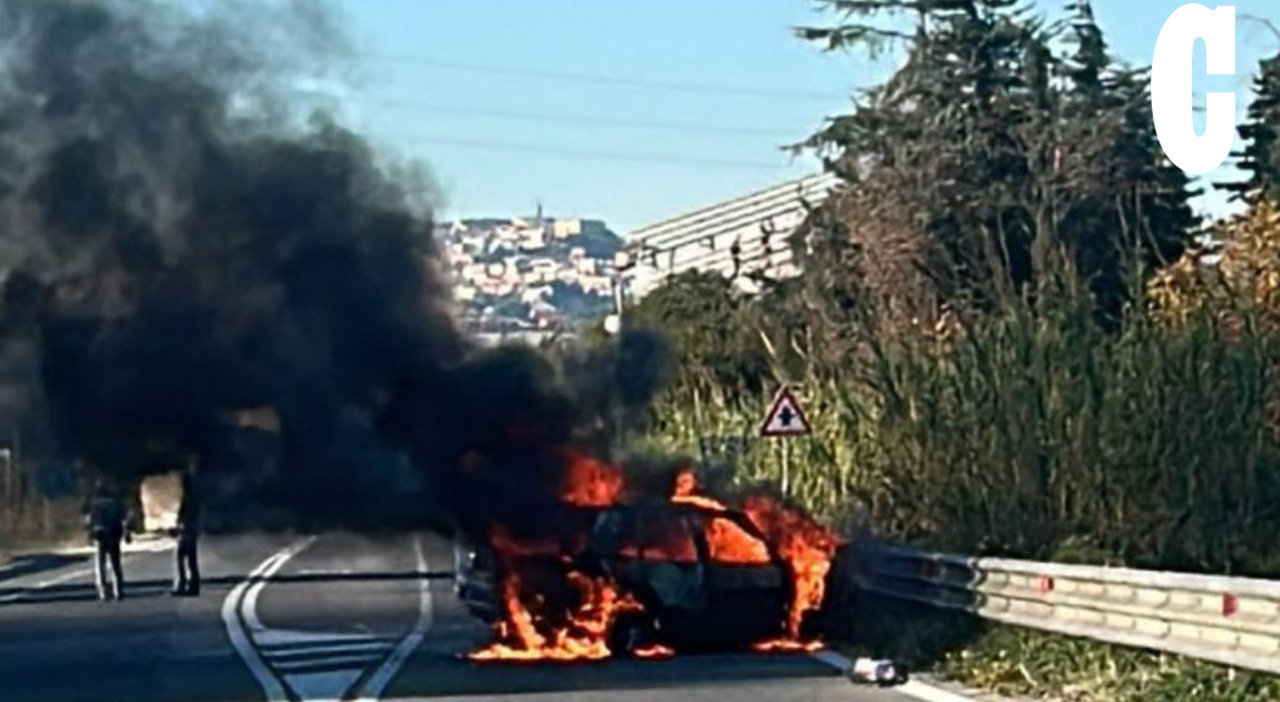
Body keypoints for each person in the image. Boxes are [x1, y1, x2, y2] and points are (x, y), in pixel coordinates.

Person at [85, 480, 130, 601]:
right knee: (115, 563)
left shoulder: (93, 499)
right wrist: (126, 532)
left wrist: (89, 533)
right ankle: (118, 590)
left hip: (101, 534)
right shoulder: (115, 498)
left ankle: (103, 591)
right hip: (113, 533)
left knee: (101, 564)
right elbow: (123, 516)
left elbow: (88, 518)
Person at [172, 459, 202, 597]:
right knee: (191, 560)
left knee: (181, 558)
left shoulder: (187, 498)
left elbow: (184, 515)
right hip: (191, 530)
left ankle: (183, 584)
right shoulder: (194, 496)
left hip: (187, 531)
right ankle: (193, 586)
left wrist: (179, 525)